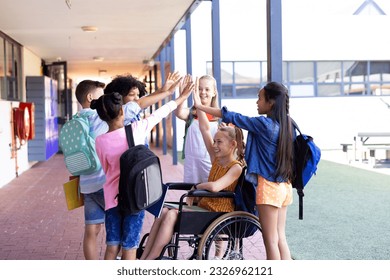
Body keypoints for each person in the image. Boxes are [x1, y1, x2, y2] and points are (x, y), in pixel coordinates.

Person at [140, 77, 245, 260]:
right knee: (163, 212)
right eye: (215, 142)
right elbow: (205, 129)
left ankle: (149, 261)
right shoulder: (216, 160)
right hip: (204, 206)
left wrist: (197, 187)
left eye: (219, 142)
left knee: (171, 215)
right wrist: (197, 103)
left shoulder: (235, 167)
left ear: (233, 144)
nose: (214, 145)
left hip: (215, 212)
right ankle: (143, 260)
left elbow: (214, 187)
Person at [91, 76, 194, 260]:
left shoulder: (99, 141)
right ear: (122, 112)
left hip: (111, 200)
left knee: (112, 246)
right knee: (129, 247)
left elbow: (106, 169)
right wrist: (180, 97)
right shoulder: (137, 129)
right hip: (134, 198)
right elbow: (162, 112)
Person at [194, 81, 294, 260]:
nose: (257, 102)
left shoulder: (265, 125)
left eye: (260, 98)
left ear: (270, 102)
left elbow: (233, 117)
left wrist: (200, 106)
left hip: (269, 188)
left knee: (270, 240)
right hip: (285, 186)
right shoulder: (287, 125)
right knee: (280, 238)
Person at [72, 80, 107, 260]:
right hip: (104, 182)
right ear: (90, 97)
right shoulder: (97, 117)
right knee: (116, 228)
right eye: (101, 95)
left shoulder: (75, 120)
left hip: (86, 184)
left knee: (91, 229)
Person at [175, 74, 220, 183]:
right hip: (192, 165)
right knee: (192, 196)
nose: (202, 92)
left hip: (211, 163)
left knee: (208, 197)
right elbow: (179, 113)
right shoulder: (191, 113)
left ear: (214, 92)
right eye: (199, 89)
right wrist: (183, 96)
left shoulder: (219, 117)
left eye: (207, 89)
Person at [105, 72, 182, 125]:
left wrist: (162, 90)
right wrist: (168, 92)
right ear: (119, 96)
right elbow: (140, 103)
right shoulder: (120, 113)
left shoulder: (134, 110)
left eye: (138, 95)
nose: (136, 98)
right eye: (131, 95)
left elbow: (145, 100)